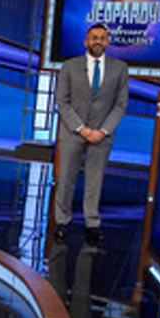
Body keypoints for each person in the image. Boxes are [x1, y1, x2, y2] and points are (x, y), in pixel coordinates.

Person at [53, 23, 130, 246]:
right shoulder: (69, 66)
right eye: (94, 37)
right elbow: (62, 101)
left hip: (102, 135)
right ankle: (62, 222)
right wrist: (82, 129)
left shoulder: (120, 68)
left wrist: (103, 131)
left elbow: (121, 104)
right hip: (73, 132)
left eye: (102, 38)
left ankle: (92, 224)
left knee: (94, 180)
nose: (98, 41)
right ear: (86, 41)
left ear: (107, 42)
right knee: (66, 179)